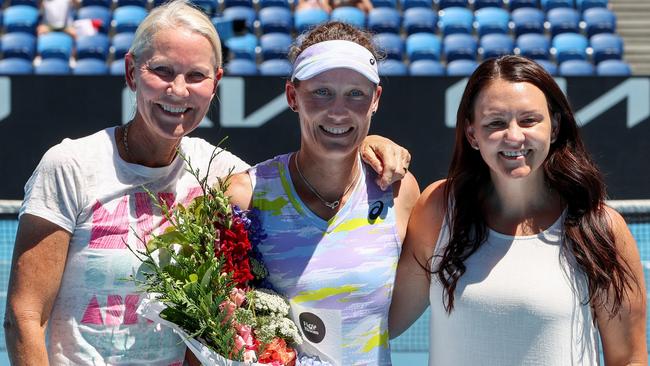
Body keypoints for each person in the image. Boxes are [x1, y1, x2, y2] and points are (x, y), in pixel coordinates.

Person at [3, 2, 411, 365]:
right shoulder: (71, 165)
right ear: (132, 71)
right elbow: (24, 316)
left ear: (214, 84)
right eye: (162, 70)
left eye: (195, 76)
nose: (177, 90)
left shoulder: (221, 174)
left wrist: (369, 145)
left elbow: (323, 159)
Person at [389, 55, 647, 365]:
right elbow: (383, 321)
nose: (514, 136)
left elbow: (629, 358)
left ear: (554, 128)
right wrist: (365, 147)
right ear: (472, 134)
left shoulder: (601, 229)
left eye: (529, 120)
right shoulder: (440, 209)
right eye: (496, 123)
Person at [226, 21, 420, 365]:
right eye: (321, 91)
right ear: (292, 96)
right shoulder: (244, 195)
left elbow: (389, 322)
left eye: (356, 94)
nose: (338, 111)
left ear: (375, 100)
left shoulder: (399, 192)